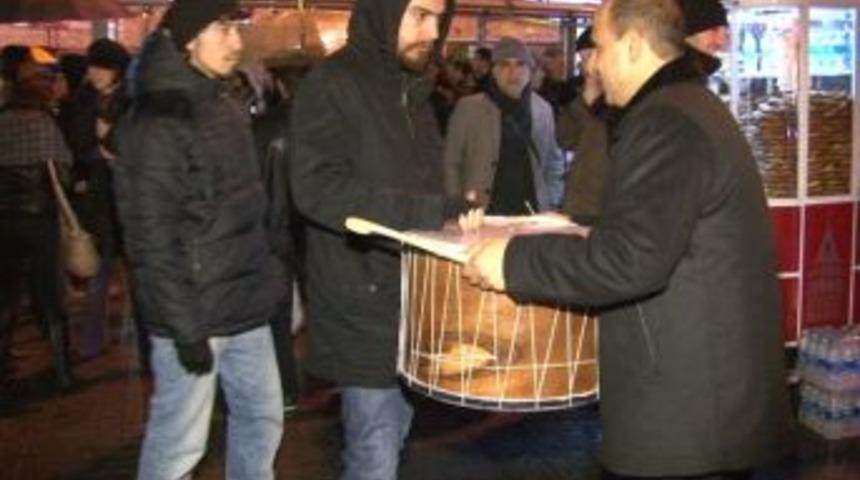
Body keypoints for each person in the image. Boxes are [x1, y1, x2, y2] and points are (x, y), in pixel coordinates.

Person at [465, 1, 793, 479]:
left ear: (634, 45)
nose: (592, 63)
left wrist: (511, 261)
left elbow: (630, 259)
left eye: (598, 47)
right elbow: (660, 236)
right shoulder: (684, 106)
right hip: (700, 404)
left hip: (693, 419)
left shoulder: (667, 121)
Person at [289, 0, 478, 478]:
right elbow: (316, 189)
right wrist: (430, 212)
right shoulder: (331, 84)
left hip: (412, 300)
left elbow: (418, 183)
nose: (433, 32)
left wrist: (454, 219)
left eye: (439, 18)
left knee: (392, 438)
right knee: (374, 449)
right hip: (362, 302)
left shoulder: (412, 87)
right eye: (419, 15)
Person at [112, 0, 287, 477]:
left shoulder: (222, 103)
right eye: (223, 30)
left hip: (244, 305)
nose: (237, 42)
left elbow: (247, 209)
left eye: (237, 29)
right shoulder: (157, 121)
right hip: (195, 313)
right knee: (178, 445)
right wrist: (184, 327)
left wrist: (271, 281)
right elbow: (149, 238)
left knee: (262, 419)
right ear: (188, 39)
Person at [0, 68, 77, 390]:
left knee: (5, 294)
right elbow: (62, 170)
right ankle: (62, 369)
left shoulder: (2, 121)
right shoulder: (43, 123)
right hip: (40, 218)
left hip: (4, 218)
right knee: (48, 293)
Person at [57, 38, 131, 359]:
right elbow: (76, 146)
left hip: (129, 192)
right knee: (98, 264)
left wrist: (109, 140)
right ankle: (92, 338)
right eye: (93, 66)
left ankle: (142, 334)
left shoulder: (131, 101)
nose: (95, 73)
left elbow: (135, 143)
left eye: (103, 67)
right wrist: (97, 149)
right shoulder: (82, 102)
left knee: (135, 265)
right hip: (98, 194)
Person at [444, 37, 565, 215]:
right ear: (493, 71)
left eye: (520, 64)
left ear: (530, 71)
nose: (512, 72)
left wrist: (552, 199)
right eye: (504, 64)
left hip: (531, 213)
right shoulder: (469, 108)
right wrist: (455, 204)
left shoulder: (543, 110)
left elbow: (554, 162)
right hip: (481, 211)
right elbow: (451, 161)